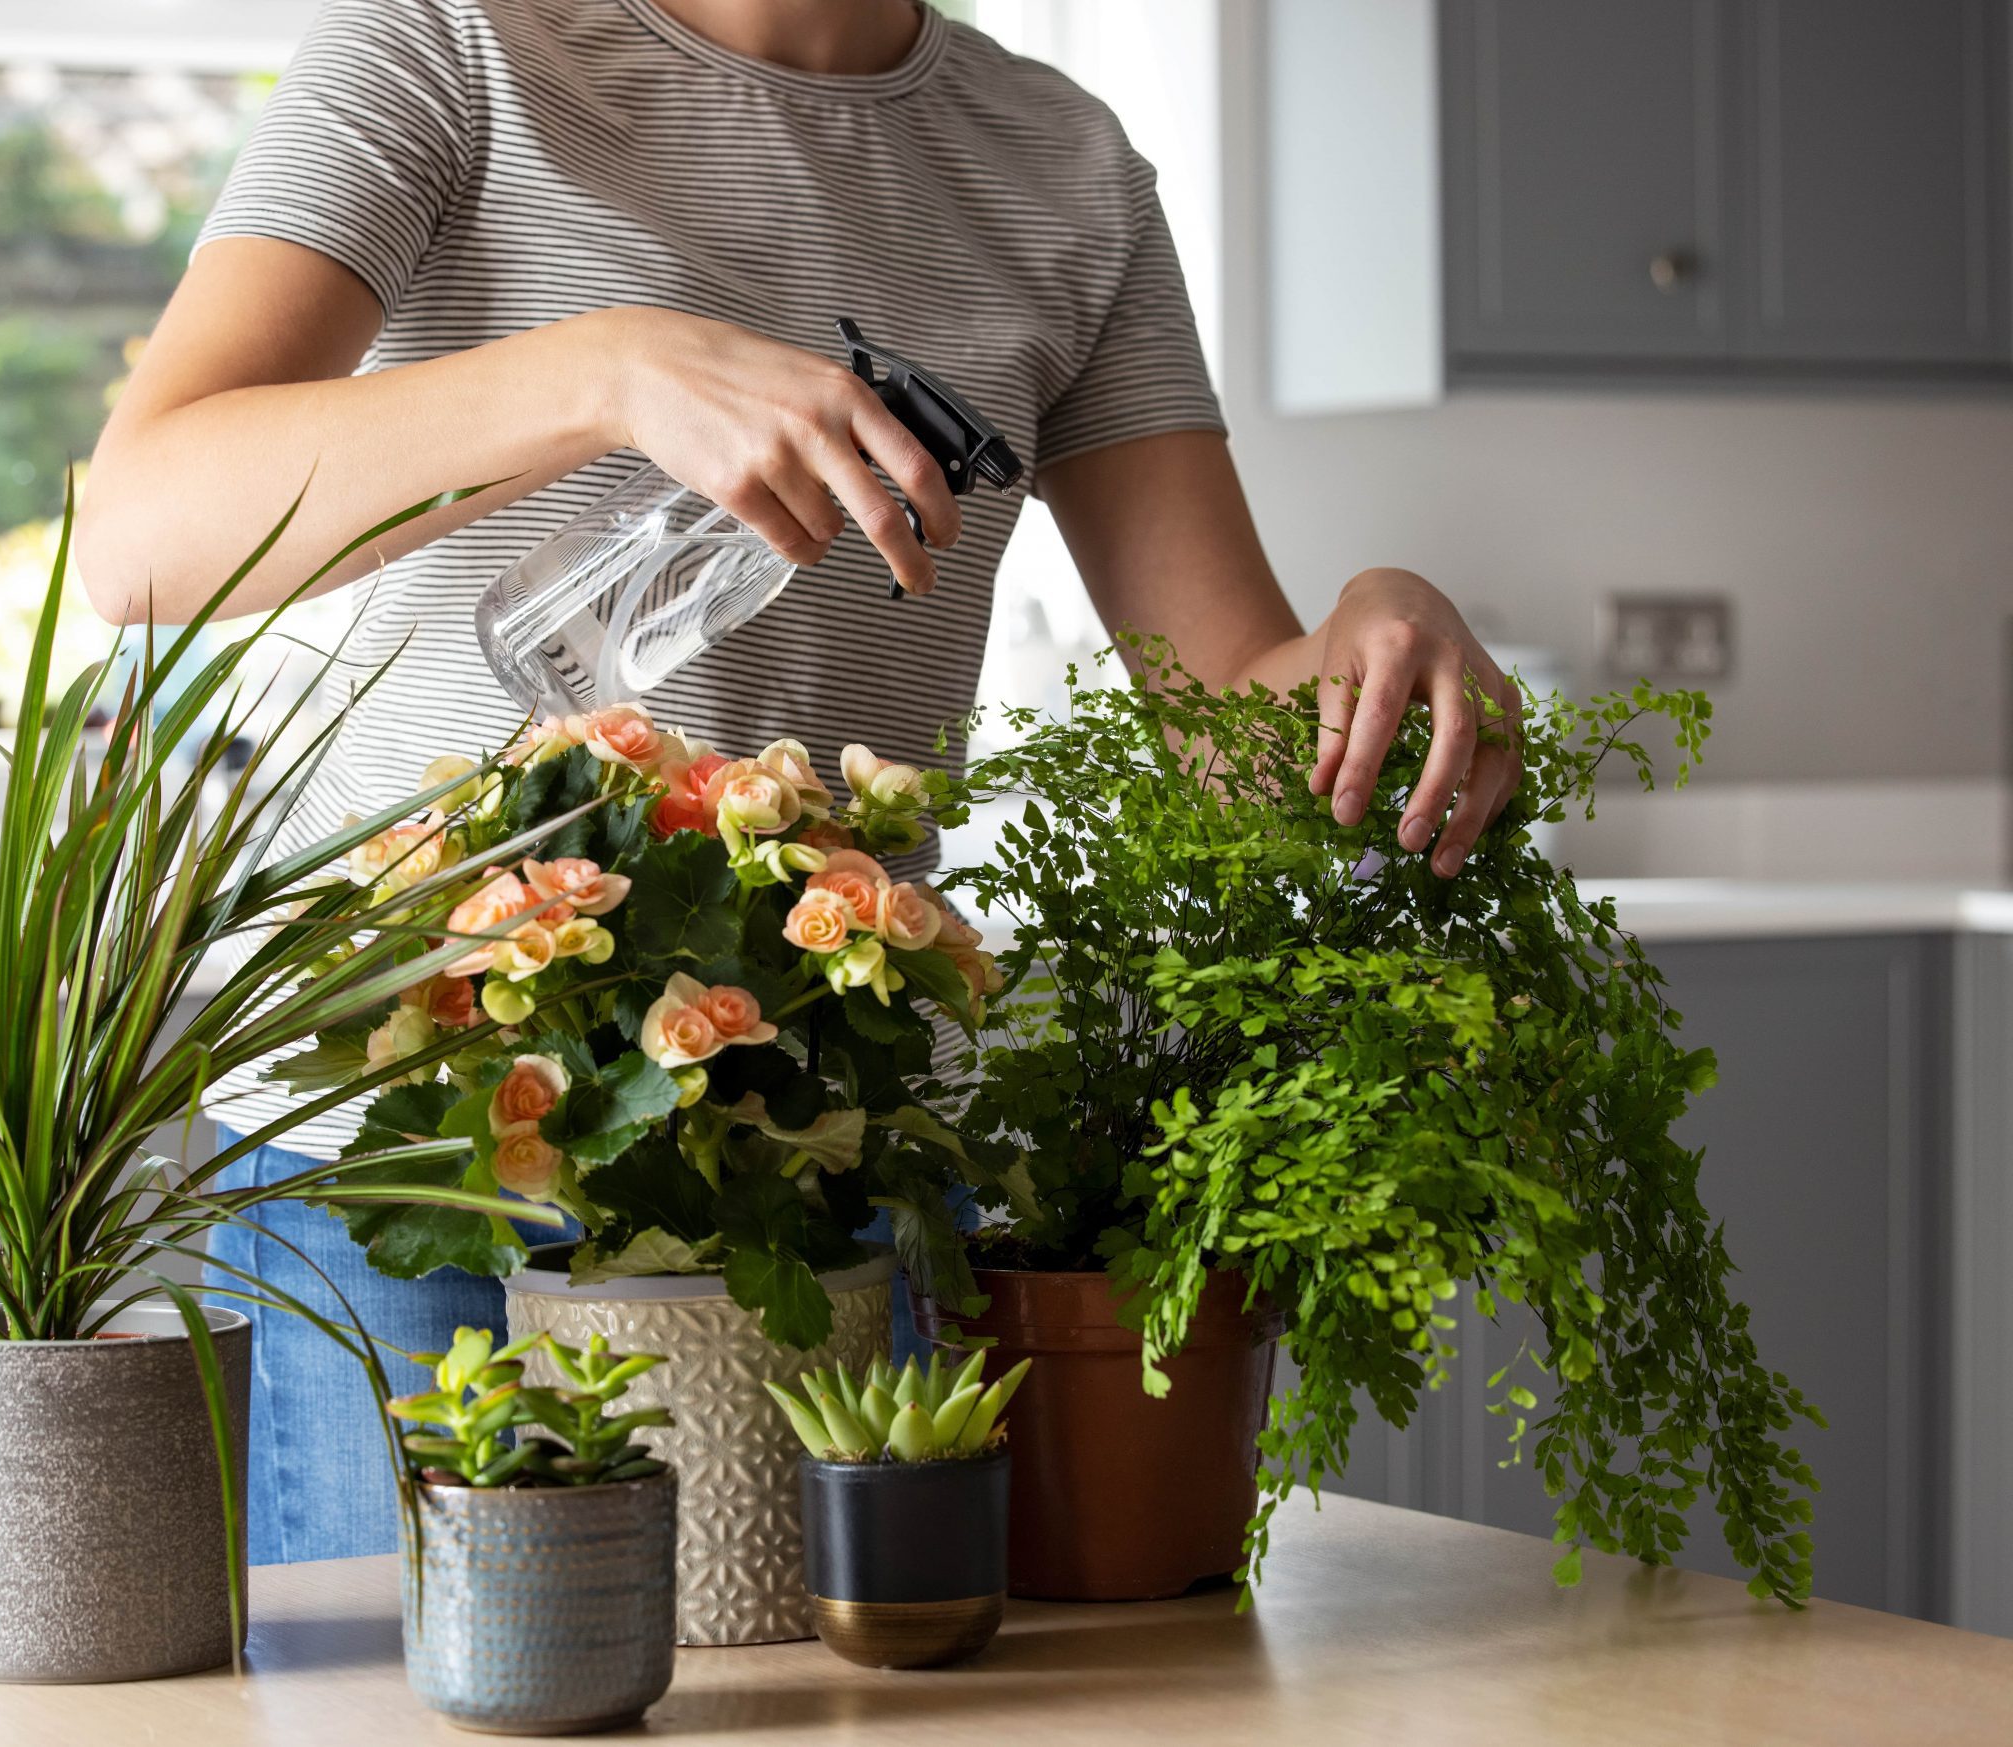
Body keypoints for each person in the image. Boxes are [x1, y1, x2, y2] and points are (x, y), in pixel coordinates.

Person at [83, 0, 1523, 1563]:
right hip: (418, 1157)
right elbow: (144, 536)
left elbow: (1229, 736)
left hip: (813, 1158)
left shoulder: (1067, 169)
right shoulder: (454, 47)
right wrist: (613, 369)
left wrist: (1377, 629)